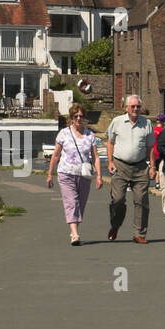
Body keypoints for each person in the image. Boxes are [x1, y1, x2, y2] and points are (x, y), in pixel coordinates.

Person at [46, 102, 102, 245]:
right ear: (71, 117)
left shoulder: (90, 135)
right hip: (66, 173)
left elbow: (95, 157)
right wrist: (50, 174)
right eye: (75, 116)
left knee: (80, 204)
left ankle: (73, 229)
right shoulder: (64, 133)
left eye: (81, 116)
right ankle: (75, 234)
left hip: (84, 175)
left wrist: (99, 176)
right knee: (72, 202)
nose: (78, 119)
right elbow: (56, 155)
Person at [105, 95, 155, 243]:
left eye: (138, 106)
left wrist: (152, 166)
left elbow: (150, 147)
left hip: (140, 167)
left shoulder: (146, 123)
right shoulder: (117, 122)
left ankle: (139, 234)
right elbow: (110, 142)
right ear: (126, 108)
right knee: (118, 199)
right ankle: (115, 225)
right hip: (120, 166)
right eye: (132, 106)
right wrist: (110, 162)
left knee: (141, 201)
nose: (135, 109)